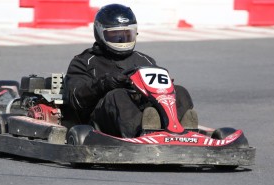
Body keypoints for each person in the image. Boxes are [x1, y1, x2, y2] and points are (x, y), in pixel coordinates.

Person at [64, 3, 197, 138]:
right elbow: (75, 99)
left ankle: (183, 132)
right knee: (118, 95)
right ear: (99, 32)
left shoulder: (145, 60)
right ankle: (139, 134)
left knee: (180, 91)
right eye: (116, 36)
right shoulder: (84, 62)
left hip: (146, 111)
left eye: (127, 34)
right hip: (100, 123)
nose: (122, 40)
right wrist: (104, 83)